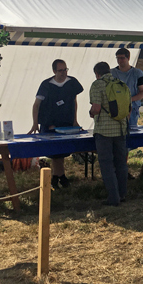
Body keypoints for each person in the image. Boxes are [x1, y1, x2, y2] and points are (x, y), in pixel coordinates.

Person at [28, 59, 84, 189]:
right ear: (54, 71)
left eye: (65, 69)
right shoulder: (46, 85)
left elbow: (74, 101)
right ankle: (59, 177)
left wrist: (75, 120)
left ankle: (57, 177)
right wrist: (35, 123)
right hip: (50, 123)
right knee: (55, 152)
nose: (64, 73)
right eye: (60, 70)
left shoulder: (72, 83)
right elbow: (36, 105)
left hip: (67, 123)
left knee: (62, 152)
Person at [89, 62, 129, 206]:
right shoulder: (121, 83)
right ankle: (123, 194)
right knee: (121, 163)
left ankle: (113, 198)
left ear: (97, 73)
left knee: (106, 164)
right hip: (120, 128)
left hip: (104, 131)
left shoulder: (97, 85)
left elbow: (96, 108)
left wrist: (91, 113)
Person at [111, 48, 143, 128]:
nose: (120, 60)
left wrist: (129, 99)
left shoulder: (137, 73)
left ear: (128, 58)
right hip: (115, 108)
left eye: (122, 58)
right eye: (118, 58)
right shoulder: (111, 73)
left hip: (132, 108)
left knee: (131, 133)